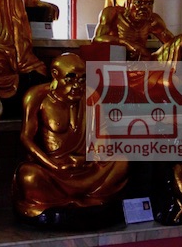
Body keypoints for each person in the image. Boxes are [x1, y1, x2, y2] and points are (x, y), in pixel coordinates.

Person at [13, 53, 129, 221]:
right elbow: (26, 138)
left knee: (121, 162)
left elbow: (101, 134)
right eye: (70, 78)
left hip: (86, 167)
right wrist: (54, 165)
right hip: (54, 170)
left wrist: (90, 158)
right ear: (55, 74)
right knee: (29, 176)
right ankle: (70, 199)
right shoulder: (37, 96)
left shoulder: (91, 96)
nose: (77, 85)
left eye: (82, 79)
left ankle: (88, 198)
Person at [92, 0, 182, 65]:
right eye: (138, 2)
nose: (144, 7)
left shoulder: (152, 20)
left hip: (145, 62)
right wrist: (127, 44)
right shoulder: (113, 14)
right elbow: (97, 39)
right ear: (128, 2)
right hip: (118, 62)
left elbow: (171, 42)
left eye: (149, 3)